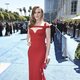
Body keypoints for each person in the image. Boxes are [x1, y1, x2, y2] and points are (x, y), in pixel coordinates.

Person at [27, 6, 51, 80]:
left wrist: (47, 55)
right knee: (32, 71)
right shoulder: (30, 24)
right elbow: (28, 36)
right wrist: (28, 41)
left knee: (38, 70)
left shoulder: (46, 25)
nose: (36, 14)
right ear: (33, 14)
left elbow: (48, 40)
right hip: (31, 52)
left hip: (41, 52)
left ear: (41, 13)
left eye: (38, 12)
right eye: (34, 12)